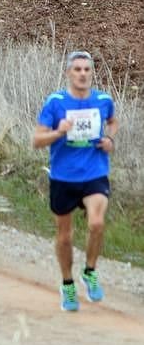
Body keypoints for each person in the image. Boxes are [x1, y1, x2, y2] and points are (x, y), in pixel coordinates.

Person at [33, 50, 118, 311]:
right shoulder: (56, 102)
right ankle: (68, 284)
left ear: (92, 73)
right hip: (63, 176)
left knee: (96, 222)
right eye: (77, 69)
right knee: (65, 237)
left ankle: (90, 272)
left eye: (87, 69)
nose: (82, 74)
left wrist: (110, 140)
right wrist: (58, 132)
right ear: (68, 73)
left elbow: (112, 122)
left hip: (94, 172)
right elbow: (36, 140)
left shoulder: (103, 100)